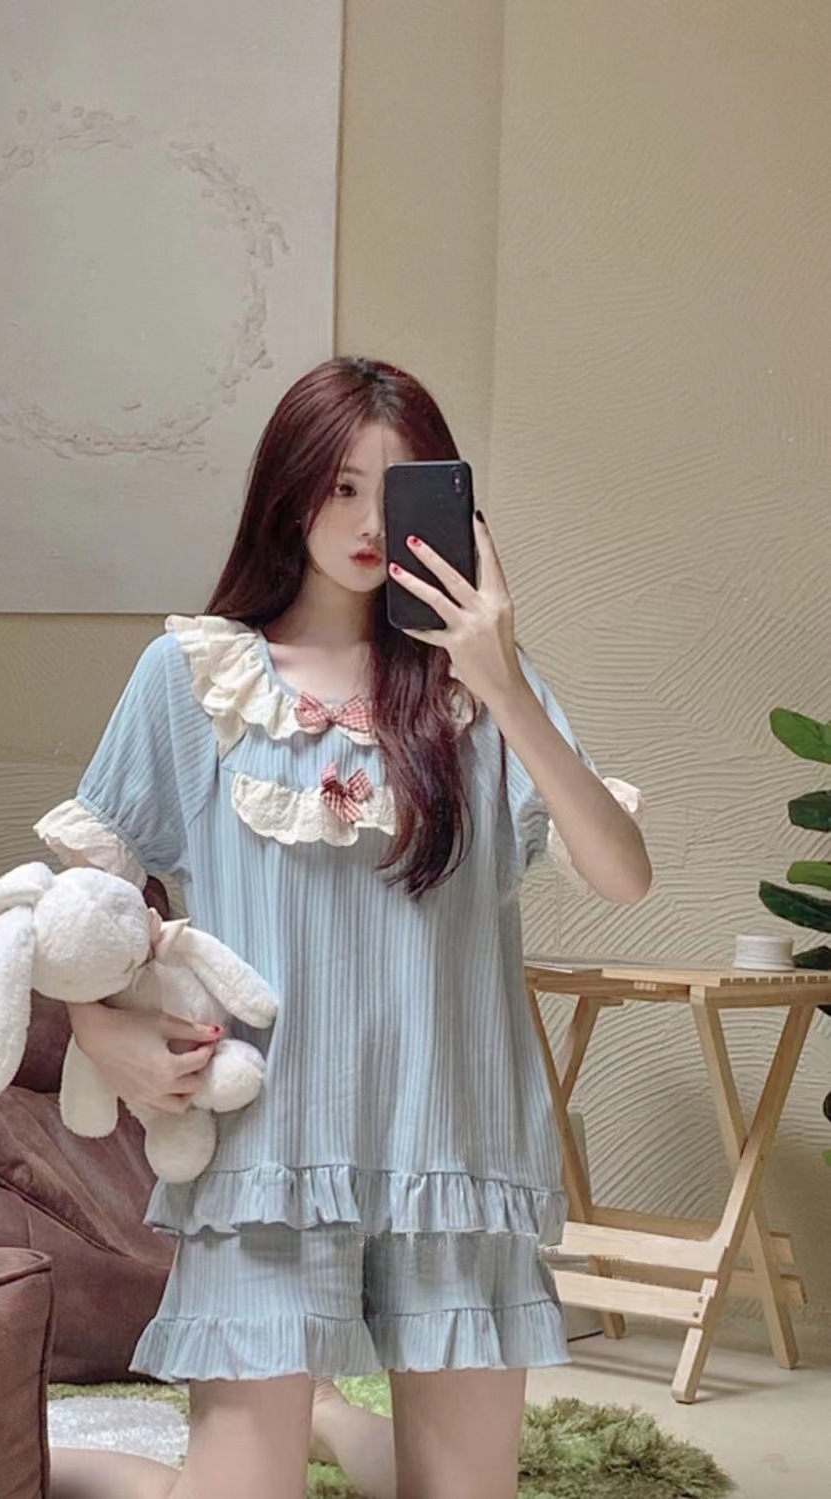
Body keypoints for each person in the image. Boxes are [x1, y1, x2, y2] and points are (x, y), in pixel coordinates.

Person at [39, 357, 652, 1499]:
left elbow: (622, 874)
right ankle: (87, 1463)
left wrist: (502, 683)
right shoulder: (192, 678)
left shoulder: (479, 692)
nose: (370, 524)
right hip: (268, 1153)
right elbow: (84, 908)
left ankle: (328, 1418)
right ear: (288, 494)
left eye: (397, 489)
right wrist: (96, 1026)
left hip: (453, 1150)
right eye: (340, 488)